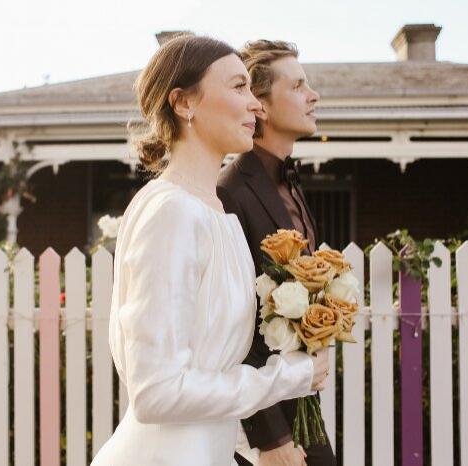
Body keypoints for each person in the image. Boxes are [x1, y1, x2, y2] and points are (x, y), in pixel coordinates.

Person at [90, 35, 329, 466]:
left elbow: (212, 370)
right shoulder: (171, 212)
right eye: (238, 88)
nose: (255, 104)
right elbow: (157, 392)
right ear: (184, 103)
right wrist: (285, 376)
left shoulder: (218, 213)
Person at [217, 39, 336, 466]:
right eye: (299, 85)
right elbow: (235, 322)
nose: (313, 95)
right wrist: (271, 439)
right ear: (260, 106)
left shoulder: (291, 184)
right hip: (263, 420)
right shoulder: (230, 191)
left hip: (301, 400)